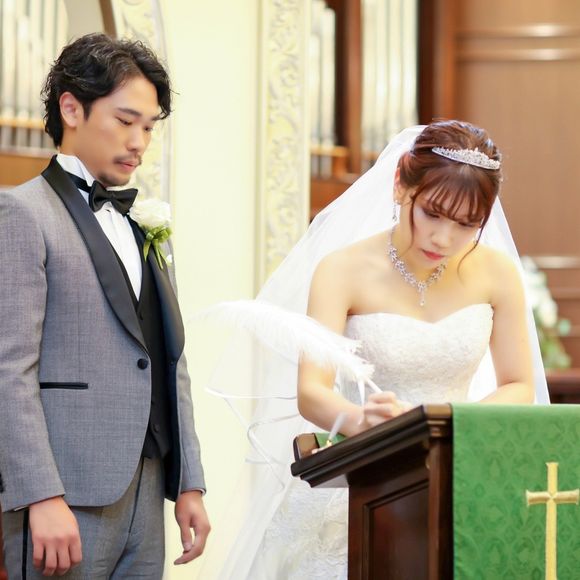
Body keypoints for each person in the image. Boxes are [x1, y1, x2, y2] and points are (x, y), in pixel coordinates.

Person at [200, 120, 549, 579]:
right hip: (362, 472)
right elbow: (312, 391)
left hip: (459, 467)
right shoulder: (342, 270)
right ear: (401, 182)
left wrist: (449, 425)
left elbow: (519, 383)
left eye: (467, 225)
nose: (444, 239)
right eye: (433, 214)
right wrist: (360, 420)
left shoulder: (497, 273)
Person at [0, 33, 209, 578]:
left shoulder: (142, 223)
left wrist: (189, 481)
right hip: (63, 494)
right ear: (71, 109)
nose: (139, 141)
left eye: (149, 127)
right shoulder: (21, 213)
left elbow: (170, 359)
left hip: (147, 486)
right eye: (125, 120)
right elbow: (7, 370)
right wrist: (40, 494)